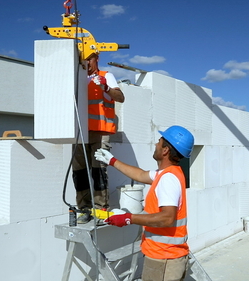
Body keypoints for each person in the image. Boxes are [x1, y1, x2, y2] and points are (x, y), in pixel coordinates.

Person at [94, 125, 194, 281]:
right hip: (165, 256)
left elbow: (167, 218)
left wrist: (128, 218)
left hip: (164, 259)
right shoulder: (168, 173)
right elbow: (140, 174)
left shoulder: (168, 179)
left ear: (165, 150)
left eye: (159, 142)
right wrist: (112, 161)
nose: (156, 144)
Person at [73, 52, 125, 224]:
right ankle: (84, 209)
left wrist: (106, 88)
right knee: (79, 172)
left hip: (100, 131)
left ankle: (100, 209)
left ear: (97, 59)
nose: (87, 62)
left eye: (90, 58)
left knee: (98, 170)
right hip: (80, 131)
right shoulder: (77, 77)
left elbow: (120, 98)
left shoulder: (106, 76)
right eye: (84, 59)